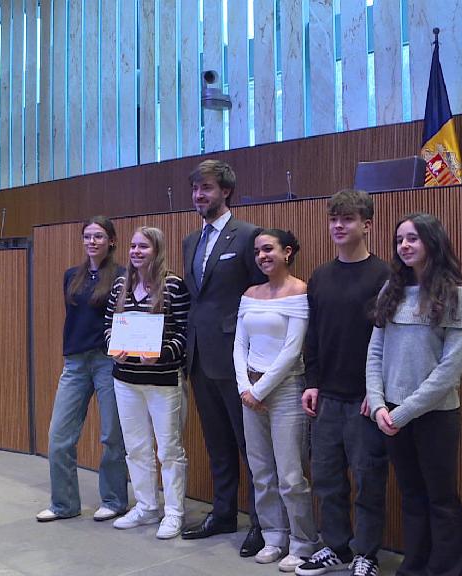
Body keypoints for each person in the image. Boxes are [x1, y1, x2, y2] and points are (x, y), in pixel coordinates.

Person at [365, 212, 462, 576]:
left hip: (434, 416)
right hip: (390, 416)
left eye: (412, 238)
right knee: (412, 497)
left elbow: (448, 372)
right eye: (400, 239)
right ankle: (413, 568)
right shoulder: (392, 290)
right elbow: (375, 352)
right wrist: (378, 404)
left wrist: (400, 414)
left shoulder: (458, 296)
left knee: (441, 500)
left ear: (432, 242)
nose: (404, 246)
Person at [297, 190, 391, 576]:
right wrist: (312, 382)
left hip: (366, 399)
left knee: (368, 480)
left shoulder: (385, 275)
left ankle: (366, 553)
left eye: (347, 219)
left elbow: (390, 340)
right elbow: (314, 336)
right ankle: (336, 546)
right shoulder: (320, 276)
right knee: (326, 479)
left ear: (366, 225)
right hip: (327, 397)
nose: (338, 225)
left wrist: (378, 390)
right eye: (334, 218)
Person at [180, 159, 268, 557]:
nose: (200, 195)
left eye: (208, 188)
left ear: (226, 191)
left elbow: (262, 294)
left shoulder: (248, 236)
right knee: (216, 443)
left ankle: (263, 523)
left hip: (237, 359)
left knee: (250, 445)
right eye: (196, 189)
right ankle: (224, 513)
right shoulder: (188, 241)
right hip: (198, 356)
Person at [232, 229, 319, 573]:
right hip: (249, 390)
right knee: (261, 472)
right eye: (257, 251)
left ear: (287, 252)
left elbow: (292, 350)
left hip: (285, 390)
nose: (262, 256)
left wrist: (260, 390)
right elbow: (239, 345)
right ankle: (273, 536)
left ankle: (302, 542)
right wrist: (245, 387)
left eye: (268, 249)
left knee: (291, 474)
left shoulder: (300, 291)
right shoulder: (250, 294)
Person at [37, 216, 128, 524]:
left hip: (107, 361)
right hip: (75, 363)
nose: (92, 241)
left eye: (99, 236)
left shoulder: (121, 276)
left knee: (112, 435)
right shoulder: (71, 276)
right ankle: (64, 504)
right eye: (87, 236)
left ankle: (114, 500)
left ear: (111, 241)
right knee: (59, 436)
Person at [105, 226, 191, 540]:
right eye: (133, 246)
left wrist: (163, 353)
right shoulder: (120, 286)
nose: (136, 252)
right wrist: (114, 348)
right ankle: (146, 507)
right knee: (136, 449)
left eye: (144, 247)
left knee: (168, 450)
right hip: (126, 380)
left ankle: (174, 513)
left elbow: (184, 331)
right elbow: (108, 326)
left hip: (163, 381)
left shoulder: (173, 285)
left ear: (157, 251)